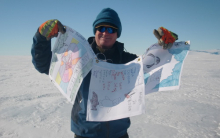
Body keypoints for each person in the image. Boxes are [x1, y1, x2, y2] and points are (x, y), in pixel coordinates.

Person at [31, 8, 177, 138]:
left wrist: (167, 48)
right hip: (84, 134)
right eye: (101, 28)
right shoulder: (78, 55)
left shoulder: (128, 61)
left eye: (111, 29)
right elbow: (43, 65)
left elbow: (154, 68)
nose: (105, 33)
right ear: (95, 30)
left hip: (118, 134)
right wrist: (41, 37)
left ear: (117, 34)